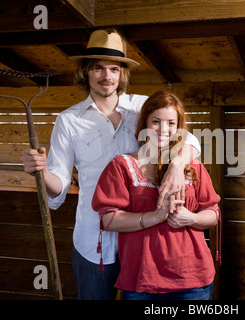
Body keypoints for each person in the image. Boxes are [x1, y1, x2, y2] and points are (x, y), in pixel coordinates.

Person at [21, 30, 201, 300]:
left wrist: (176, 164)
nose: (107, 76)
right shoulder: (69, 121)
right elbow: (57, 186)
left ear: (122, 74)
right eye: (98, 68)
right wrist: (41, 170)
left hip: (145, 241)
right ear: (86, 72)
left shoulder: (143, 108)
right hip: (94, 242)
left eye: (114, 69)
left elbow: (190, 140)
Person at [92, 91, 221, 300]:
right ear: (144, 123)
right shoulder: (121, 166)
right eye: (155, 122)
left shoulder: (194, 167)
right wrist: (155, 216)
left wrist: (193, 218)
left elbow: (213, 213)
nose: (163, 130)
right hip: (142, 280)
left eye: (170, 123)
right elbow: (108, 219)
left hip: (193, 280)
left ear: (178, 128)